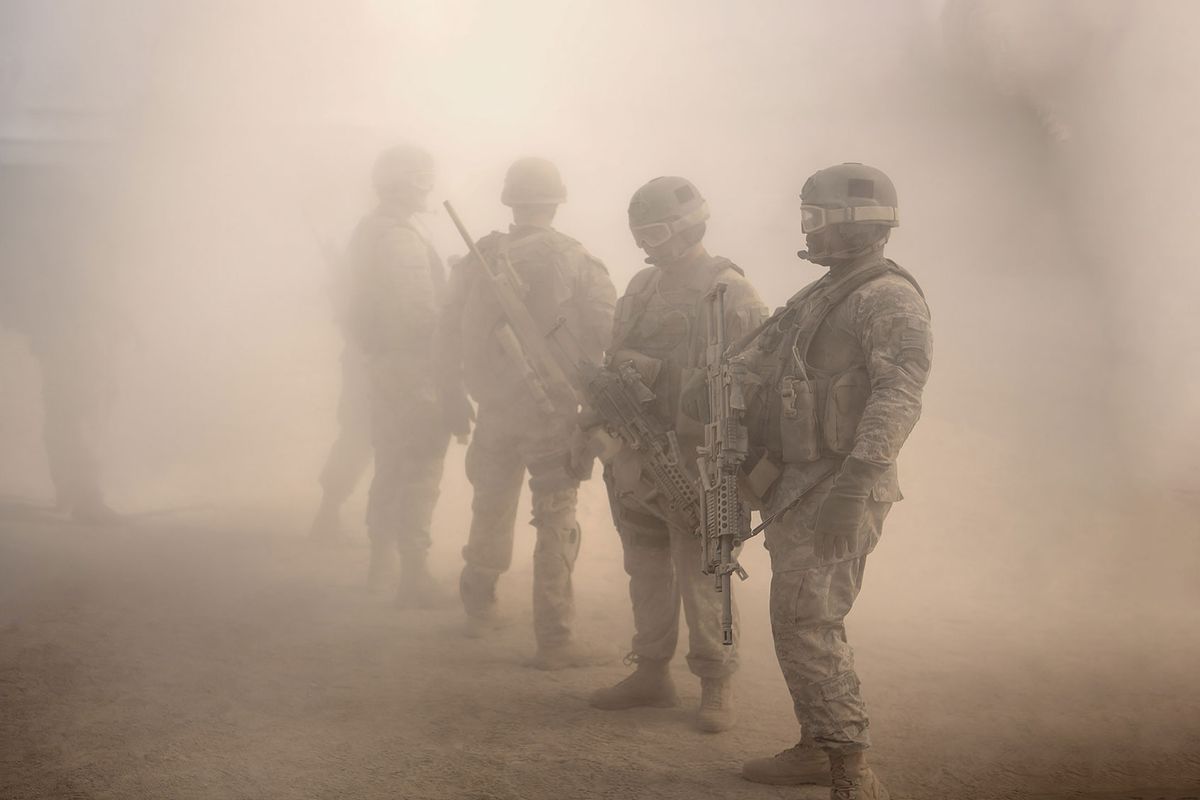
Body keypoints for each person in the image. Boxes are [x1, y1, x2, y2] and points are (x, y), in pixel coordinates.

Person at [734, 163, 932, 799]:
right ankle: (818, 746)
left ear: (855, 222)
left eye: (815, 218)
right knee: (794, 619)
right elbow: (763, 362)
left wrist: (859, 480)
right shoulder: (826, 292)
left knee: (809, 621)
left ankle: (853, 770)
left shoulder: (888, 297)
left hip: (842, 484)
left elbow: (899, 394)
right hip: (799, 481)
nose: (806, 229)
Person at [588, 176, 768, 732]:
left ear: (691, 225)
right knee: (644, 567)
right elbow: (616, 357)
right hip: (636, 456)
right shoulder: (642, 287)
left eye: (658, 230)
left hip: (700, 465)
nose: (647, 243)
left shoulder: (730, 293)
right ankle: (651, 671)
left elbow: (752, 384)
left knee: (705, 576)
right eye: (639, 232)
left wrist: (661, 375)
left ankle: (716, 683)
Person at [436, 157, 617, 669]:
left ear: (511, 201)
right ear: (557, 202)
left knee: (490, 505)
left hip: (493, 409)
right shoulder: (578, 261)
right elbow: (609, 336)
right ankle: (555, 638)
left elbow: (445, 333)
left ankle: (478, 607)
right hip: (551, 414)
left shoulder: (479, 257)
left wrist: (451, 395)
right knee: (556, 519)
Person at [344, 144, 462, 605]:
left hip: (385, 366)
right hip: (414, 369)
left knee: (390, 464)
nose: (427, 189)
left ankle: (380, 569)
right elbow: (420, 315)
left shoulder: (369, 230)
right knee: (420, 468)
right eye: (422, 180)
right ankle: (412, 574)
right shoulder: (400, 238)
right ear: (412, 182)